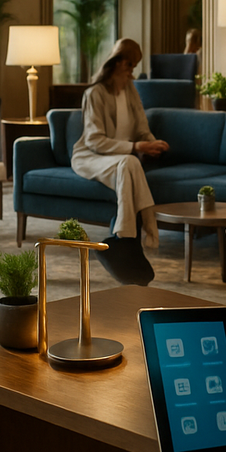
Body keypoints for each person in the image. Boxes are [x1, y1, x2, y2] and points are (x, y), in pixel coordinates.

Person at [72, 38, 169, 285]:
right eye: (129, 63)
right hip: (90, 157)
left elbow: (141, 129)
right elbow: (94, 140)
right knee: (129, 162)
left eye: (134, 65)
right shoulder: (94, 93)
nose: (131, 70)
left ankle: (125, 241)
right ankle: (134, 236)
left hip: (122, 158)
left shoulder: (131, 91)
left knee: (130, 163)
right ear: (115, 62)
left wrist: (151, 143)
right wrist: (135, 147)